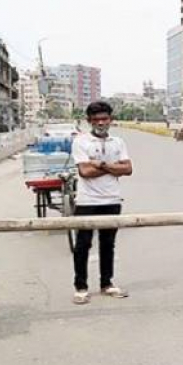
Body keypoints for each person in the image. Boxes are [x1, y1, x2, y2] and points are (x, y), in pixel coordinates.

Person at [71, 101, 132, 305]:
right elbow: (85, 172)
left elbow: (128, 169)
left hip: (112, 199)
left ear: (110, 120)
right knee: (82, 245)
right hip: (87, 201)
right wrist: (114, 167)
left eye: (104, 119)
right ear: (89, 121)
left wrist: (102, 164)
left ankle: (107, 283)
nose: (100, 123)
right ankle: (81, 286)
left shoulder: (118, 142)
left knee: (108, 244)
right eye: (96, 119)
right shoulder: (81, 142)